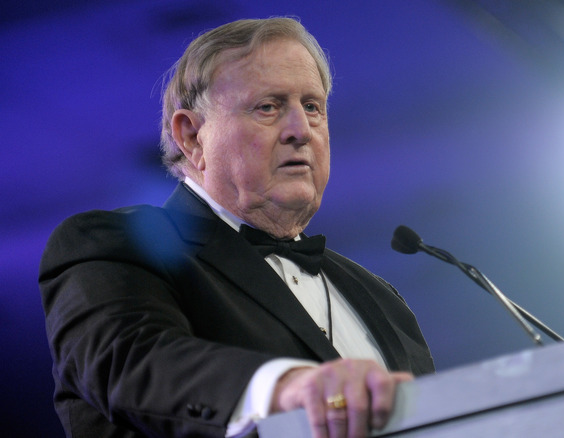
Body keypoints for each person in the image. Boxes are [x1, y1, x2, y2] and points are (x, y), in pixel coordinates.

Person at [38, 17, 434, 438]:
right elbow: (133, 360)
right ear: (192, 136)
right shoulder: (112, 244)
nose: (301, 130)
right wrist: (285, 387)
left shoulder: (382, 299)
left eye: (313, 107)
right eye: (268, 106)